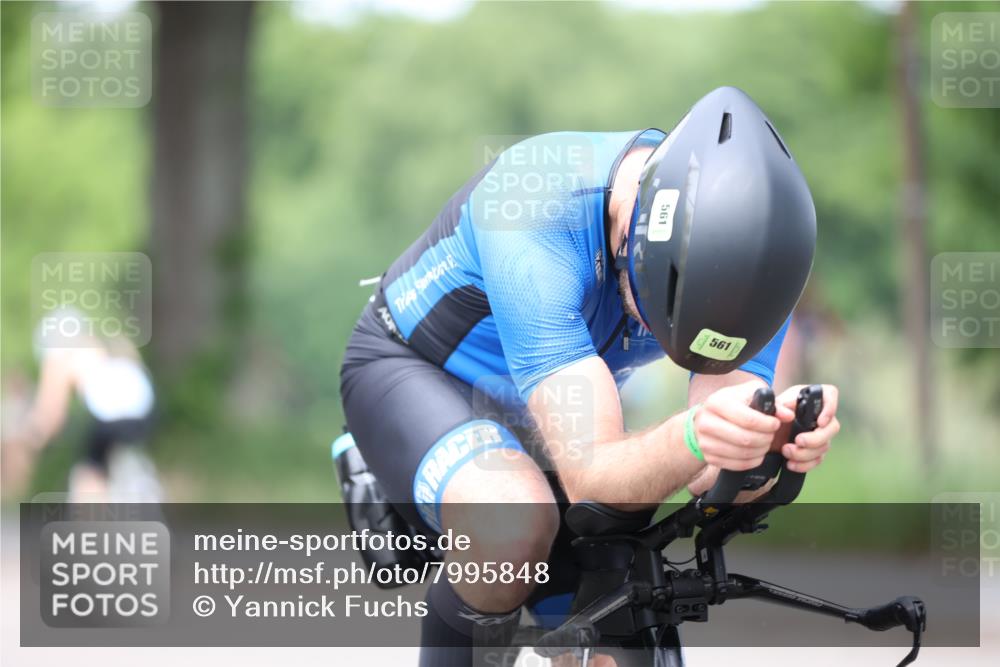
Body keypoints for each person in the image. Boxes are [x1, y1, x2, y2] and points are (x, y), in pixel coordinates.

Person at [339, 87, 841, 665]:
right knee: (512, 529)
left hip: (562, 399)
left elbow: (714, 474)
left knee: (616, 600)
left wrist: (769, 443)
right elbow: (595, 474)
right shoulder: (533, 209)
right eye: (659, 315)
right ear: (633, 236)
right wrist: (694, 434)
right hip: (419, 372)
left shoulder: (756, 267)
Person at [10, 307, 159, 502]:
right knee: (113, 454)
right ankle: (138, 482)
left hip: (110, 414)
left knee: (87, 475)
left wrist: (29, 438)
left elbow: (51, 413)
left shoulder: (59, 357)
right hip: (145, 407)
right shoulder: (99, 342)